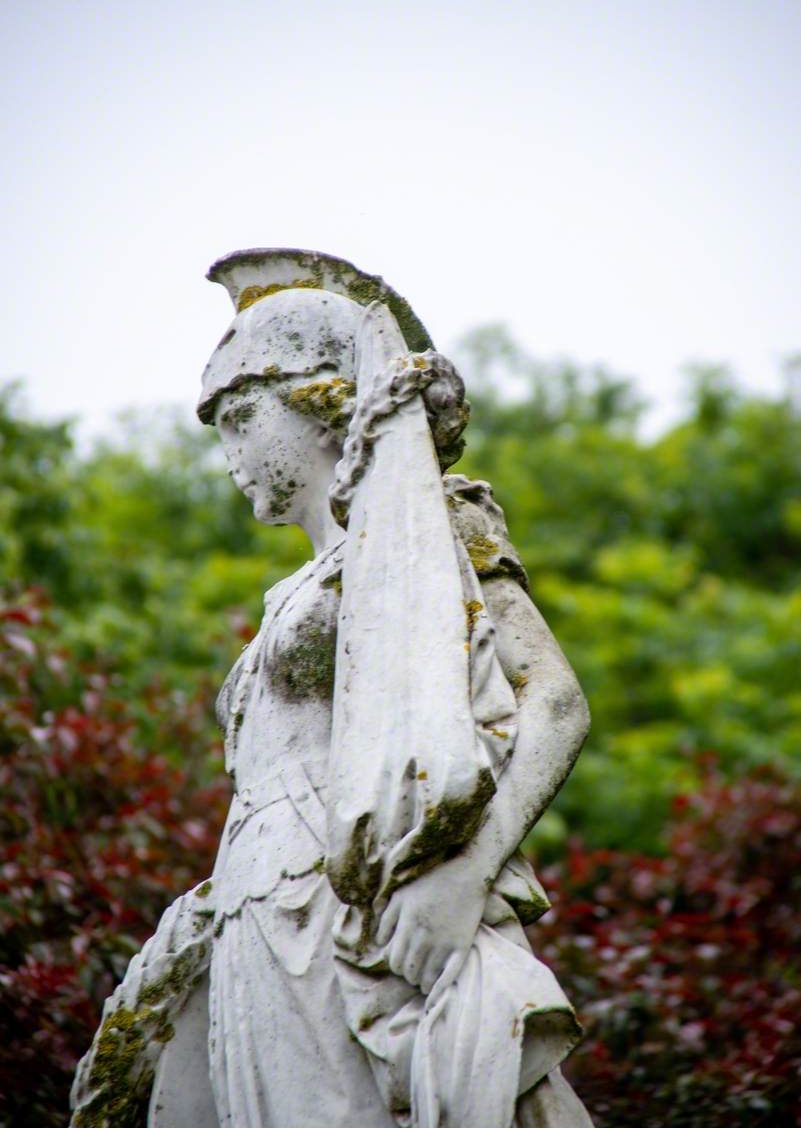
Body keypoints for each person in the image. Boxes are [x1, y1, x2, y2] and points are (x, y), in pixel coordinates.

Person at [71, 250, 594, 1128]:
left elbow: (554, 703)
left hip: (359, 919)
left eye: (241, 417)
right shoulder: (289, 594)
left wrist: (466, 872)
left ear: (324, 405)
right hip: (257, 913)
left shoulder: (433, 523)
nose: (229, 453)